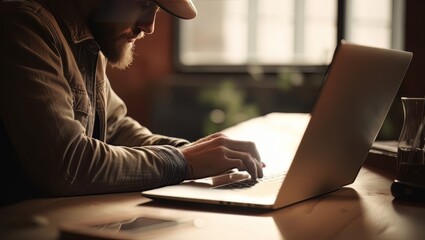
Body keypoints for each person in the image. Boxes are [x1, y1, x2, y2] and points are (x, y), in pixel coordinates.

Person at [0, 0, 264, 206]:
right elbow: (67, 165)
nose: (149, 26)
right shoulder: (23, 24)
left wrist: (203, 152)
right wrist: (184, 162)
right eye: (144, 3)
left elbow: (117, 129)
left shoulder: (90, 40)